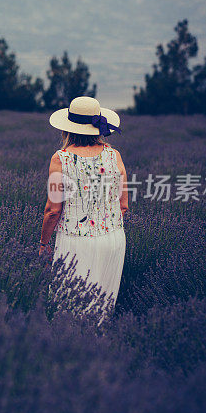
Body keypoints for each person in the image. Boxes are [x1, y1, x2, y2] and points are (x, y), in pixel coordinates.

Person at [39, 96, 128, 324]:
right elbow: (124, 206)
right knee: (102, 307)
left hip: (76, 240)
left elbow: (53, 210)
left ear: (68, 129)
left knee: (68, 306)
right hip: (113, 239)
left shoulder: (61, 158)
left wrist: (43, 243)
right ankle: (100, 348)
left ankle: (70, 351)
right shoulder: (114, 155)